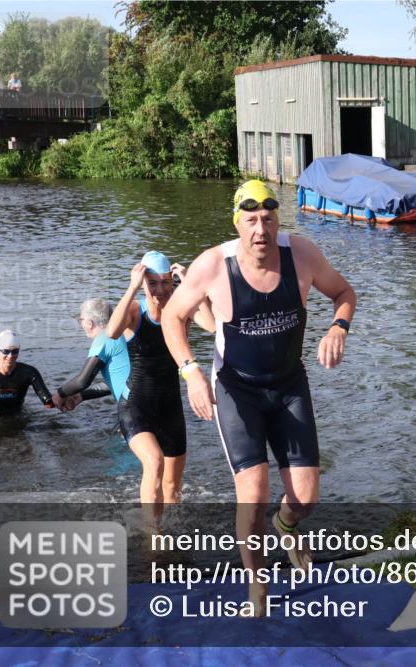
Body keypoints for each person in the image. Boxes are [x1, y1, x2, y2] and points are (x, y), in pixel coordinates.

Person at [161, 179, 356, 612]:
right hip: (236, 388)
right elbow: (174, 317)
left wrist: (338, 327)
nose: (260, 231)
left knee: (305, 499)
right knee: (254, 492)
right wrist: (191, 372)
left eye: (268, 219)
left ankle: (286, 526)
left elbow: (344, 293)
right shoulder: (213, 265)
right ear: (238, 223)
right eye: (250, 221)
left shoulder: (301, 254)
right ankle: (257, 584)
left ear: (277, 221)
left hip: (289, 385)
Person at [103, 251, 213, 515]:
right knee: (154, 462)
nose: (160, 290)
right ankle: (153, 536)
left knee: (173, 487)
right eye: (152, 283)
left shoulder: (180, 309)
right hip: (136, 405)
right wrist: (131, 288)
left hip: (170, 407)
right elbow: (111, 331)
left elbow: (211, 325)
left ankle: (171, 534)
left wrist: (190, 286)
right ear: (143, 283)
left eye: (165, 282)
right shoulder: (134, 311)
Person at [57, 297, 131, 415]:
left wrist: (59, 394)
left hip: (134, 405)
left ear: (90, 323)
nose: (80, 323)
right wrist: (82, 396)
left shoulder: (103, 339)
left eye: (81, 319)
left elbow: (82, 381)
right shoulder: (121, 334)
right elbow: (115, 381)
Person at [0, 330, 69, 416]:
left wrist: (62, 398)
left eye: (15, 351)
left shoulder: (28, 372)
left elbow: (48, 403)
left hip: (17, 417)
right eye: (6, 351)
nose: (10, 355)